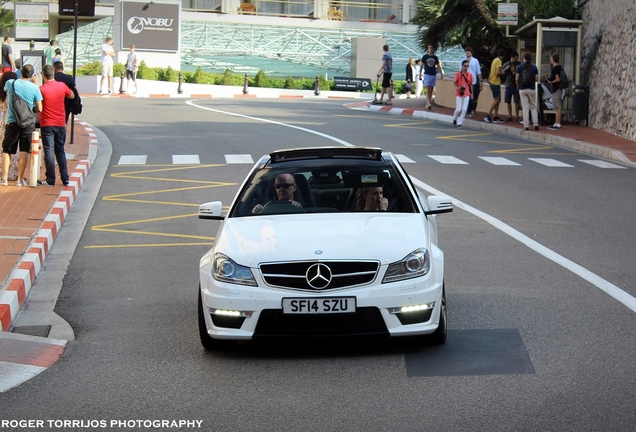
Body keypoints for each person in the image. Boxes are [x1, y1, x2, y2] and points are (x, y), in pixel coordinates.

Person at [1, 64, 43, 187]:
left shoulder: (10, 83)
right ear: (31, 75)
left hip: (12, 121)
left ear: (21, 73)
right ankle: (20, 179)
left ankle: (4, 179)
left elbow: (4, 90)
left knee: (7, 149)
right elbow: (40, 108)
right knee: (24, 150)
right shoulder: (35, 88)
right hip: (27, 123)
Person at [37, 65, 74, 187]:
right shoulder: (62, 86)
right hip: (60, 123)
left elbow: (37, 104)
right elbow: (72, 95)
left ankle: (50, 179)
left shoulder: (41, 89)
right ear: (53, 74)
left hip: (47, 124)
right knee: (60, 150)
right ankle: (65, 178)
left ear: (43, 75)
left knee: (49, 151)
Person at [0, 71, 18, 181]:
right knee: (12, 148)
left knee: (2, 147)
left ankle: (2, 171)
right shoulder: (14, 93)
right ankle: (12, 173)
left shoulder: (2, 94)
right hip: (12, 121)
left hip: (2, 122)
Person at [516, 52, 540, 131]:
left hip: (522, 89)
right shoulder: (534, 67)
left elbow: (517, 78)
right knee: (533, 107)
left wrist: (518, 86)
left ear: (524, 59)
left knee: (525, 107)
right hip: (532, 89)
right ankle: (536, 124)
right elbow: (537, 79)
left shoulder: (519, 67)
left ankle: (526, 126)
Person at [459, 47, 482, 117]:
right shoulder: (462, 60)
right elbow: (460, 70)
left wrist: (480, 81)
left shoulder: (475, 61)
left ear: (471, 53)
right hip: (465, 82)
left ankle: (473, 110)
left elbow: (478, 71)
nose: (468, 54)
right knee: (467, 97)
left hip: (474, 81)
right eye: (467, 53)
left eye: (469, 53)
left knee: (474, 97)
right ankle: (468, 111)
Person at [484, 49, 506, 123]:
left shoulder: (495, 60)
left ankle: (495, 116)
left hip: (493, 81)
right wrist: (503, 72)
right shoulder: (499, 61)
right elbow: (497, 73)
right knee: (497, 99)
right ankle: (488, 115)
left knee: (498, 100)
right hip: (495, 82)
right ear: (503, 56)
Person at [421, 44, 444, 110]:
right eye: (429, 48)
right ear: (428, 49)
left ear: (433, 49)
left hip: (433, 74)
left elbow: (438, 66)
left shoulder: (435, 58)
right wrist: (420, 74)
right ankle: (428, 103)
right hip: (427, 74)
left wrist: (441, 74)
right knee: (428, 88)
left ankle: (428, 103)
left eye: (431, 48)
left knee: (431, 89)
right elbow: (421, 65)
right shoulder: (425, 57)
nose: (430, 49)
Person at [452, 60, 473, 129]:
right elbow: (455, 82)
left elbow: (471, 84)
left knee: (464, 110)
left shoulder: (470, 75)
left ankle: (459, 123)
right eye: (465, 66)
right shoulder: (458, 74)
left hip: (466, 93)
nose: (466, 67)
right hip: (459, 93)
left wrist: (471, 94)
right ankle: (454, 118)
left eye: (467, 66)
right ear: (462, 66)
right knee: (458, 109)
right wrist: (458, 87)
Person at [546, 53, 564, 131]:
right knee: (556, 107)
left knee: (558, 106)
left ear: (553, 60)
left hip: (556, 89)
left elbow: (557, 79)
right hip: (557, 89)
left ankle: (558, 123)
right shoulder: (559, 67)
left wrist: (551, 82)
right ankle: (556, 123)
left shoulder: (555, 68)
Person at [501, 51, 521, 122]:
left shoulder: (518, 64)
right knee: (508, 101)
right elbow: (501, 72)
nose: (516, 59)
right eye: (515, 58)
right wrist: (506, 68)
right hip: (509, 84)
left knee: (516, 101)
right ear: (512, 57)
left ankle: (517, 116)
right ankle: (510, 115)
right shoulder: (507, 64)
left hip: (516, 85)